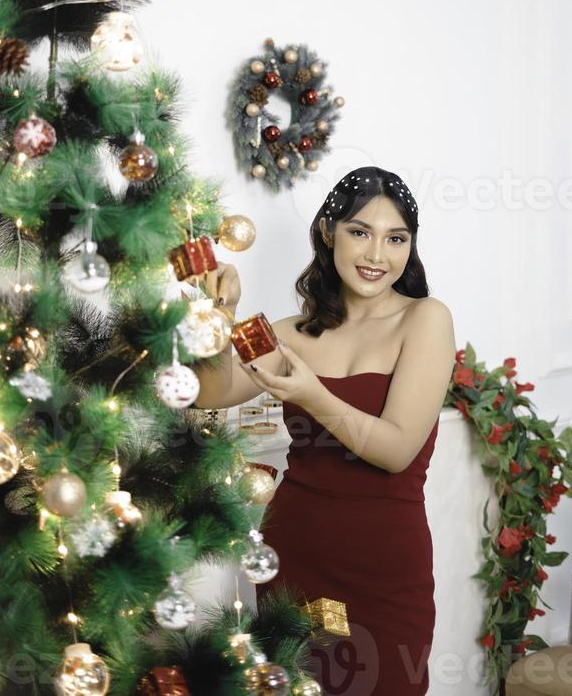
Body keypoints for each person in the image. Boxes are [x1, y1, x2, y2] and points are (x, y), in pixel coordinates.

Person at [193, 165, 456, 695]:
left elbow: (397, 449)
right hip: (296, 554)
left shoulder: (426, 319)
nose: (376, 255)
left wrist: (312, 393)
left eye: (395, 238)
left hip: (385, 567)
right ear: (328, 233)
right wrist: (224, 309)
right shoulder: (292, 333)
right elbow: (208, 392)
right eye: (360, 232)